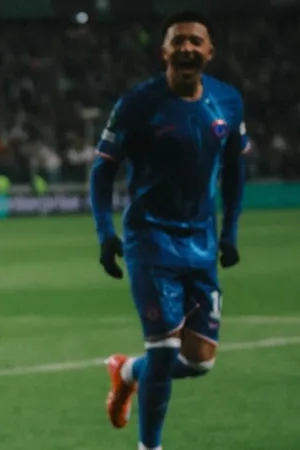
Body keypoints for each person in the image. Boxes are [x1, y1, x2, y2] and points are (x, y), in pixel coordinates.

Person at [89, 11, 248, 450]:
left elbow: (236, 167)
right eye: (178, 41)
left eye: (196, 41)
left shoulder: (228, 101)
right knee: (162, 351)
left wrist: (230, 231)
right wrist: (105, 233)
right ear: (164, 52)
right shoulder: (138, 104)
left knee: (198, 362)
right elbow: (103, 170)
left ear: (209, 52)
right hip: (151, 240)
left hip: (201, 244)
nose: (187, 48)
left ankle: (126, 371)